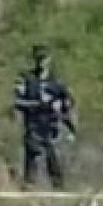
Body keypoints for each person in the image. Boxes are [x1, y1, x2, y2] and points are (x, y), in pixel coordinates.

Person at [13, 44, 74, 189]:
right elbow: (17, 102)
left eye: (44, 58)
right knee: (32, 161)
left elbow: (69, 102)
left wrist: (60, 105)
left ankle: (59, 190)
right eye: (39, 58)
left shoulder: (57, 81)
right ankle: (29, 189)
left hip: (53, 126)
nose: (42, 62)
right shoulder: (26, 79)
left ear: (49, 59)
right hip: (33, 126)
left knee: (55, 161)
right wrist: (38, 104)